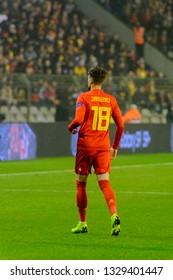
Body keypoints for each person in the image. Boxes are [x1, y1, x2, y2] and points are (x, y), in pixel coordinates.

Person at [68, 66, 124, 236]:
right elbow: (121, 126)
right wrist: (114, 147)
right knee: (105, 183)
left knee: (81, 184)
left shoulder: (83, 97)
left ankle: (82, 223)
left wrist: (71, 127)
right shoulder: (111, 100)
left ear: (90, 80)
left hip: (86, 146)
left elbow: (78, 119)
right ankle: (114, 214)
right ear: (103, 81)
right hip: (102, 147)